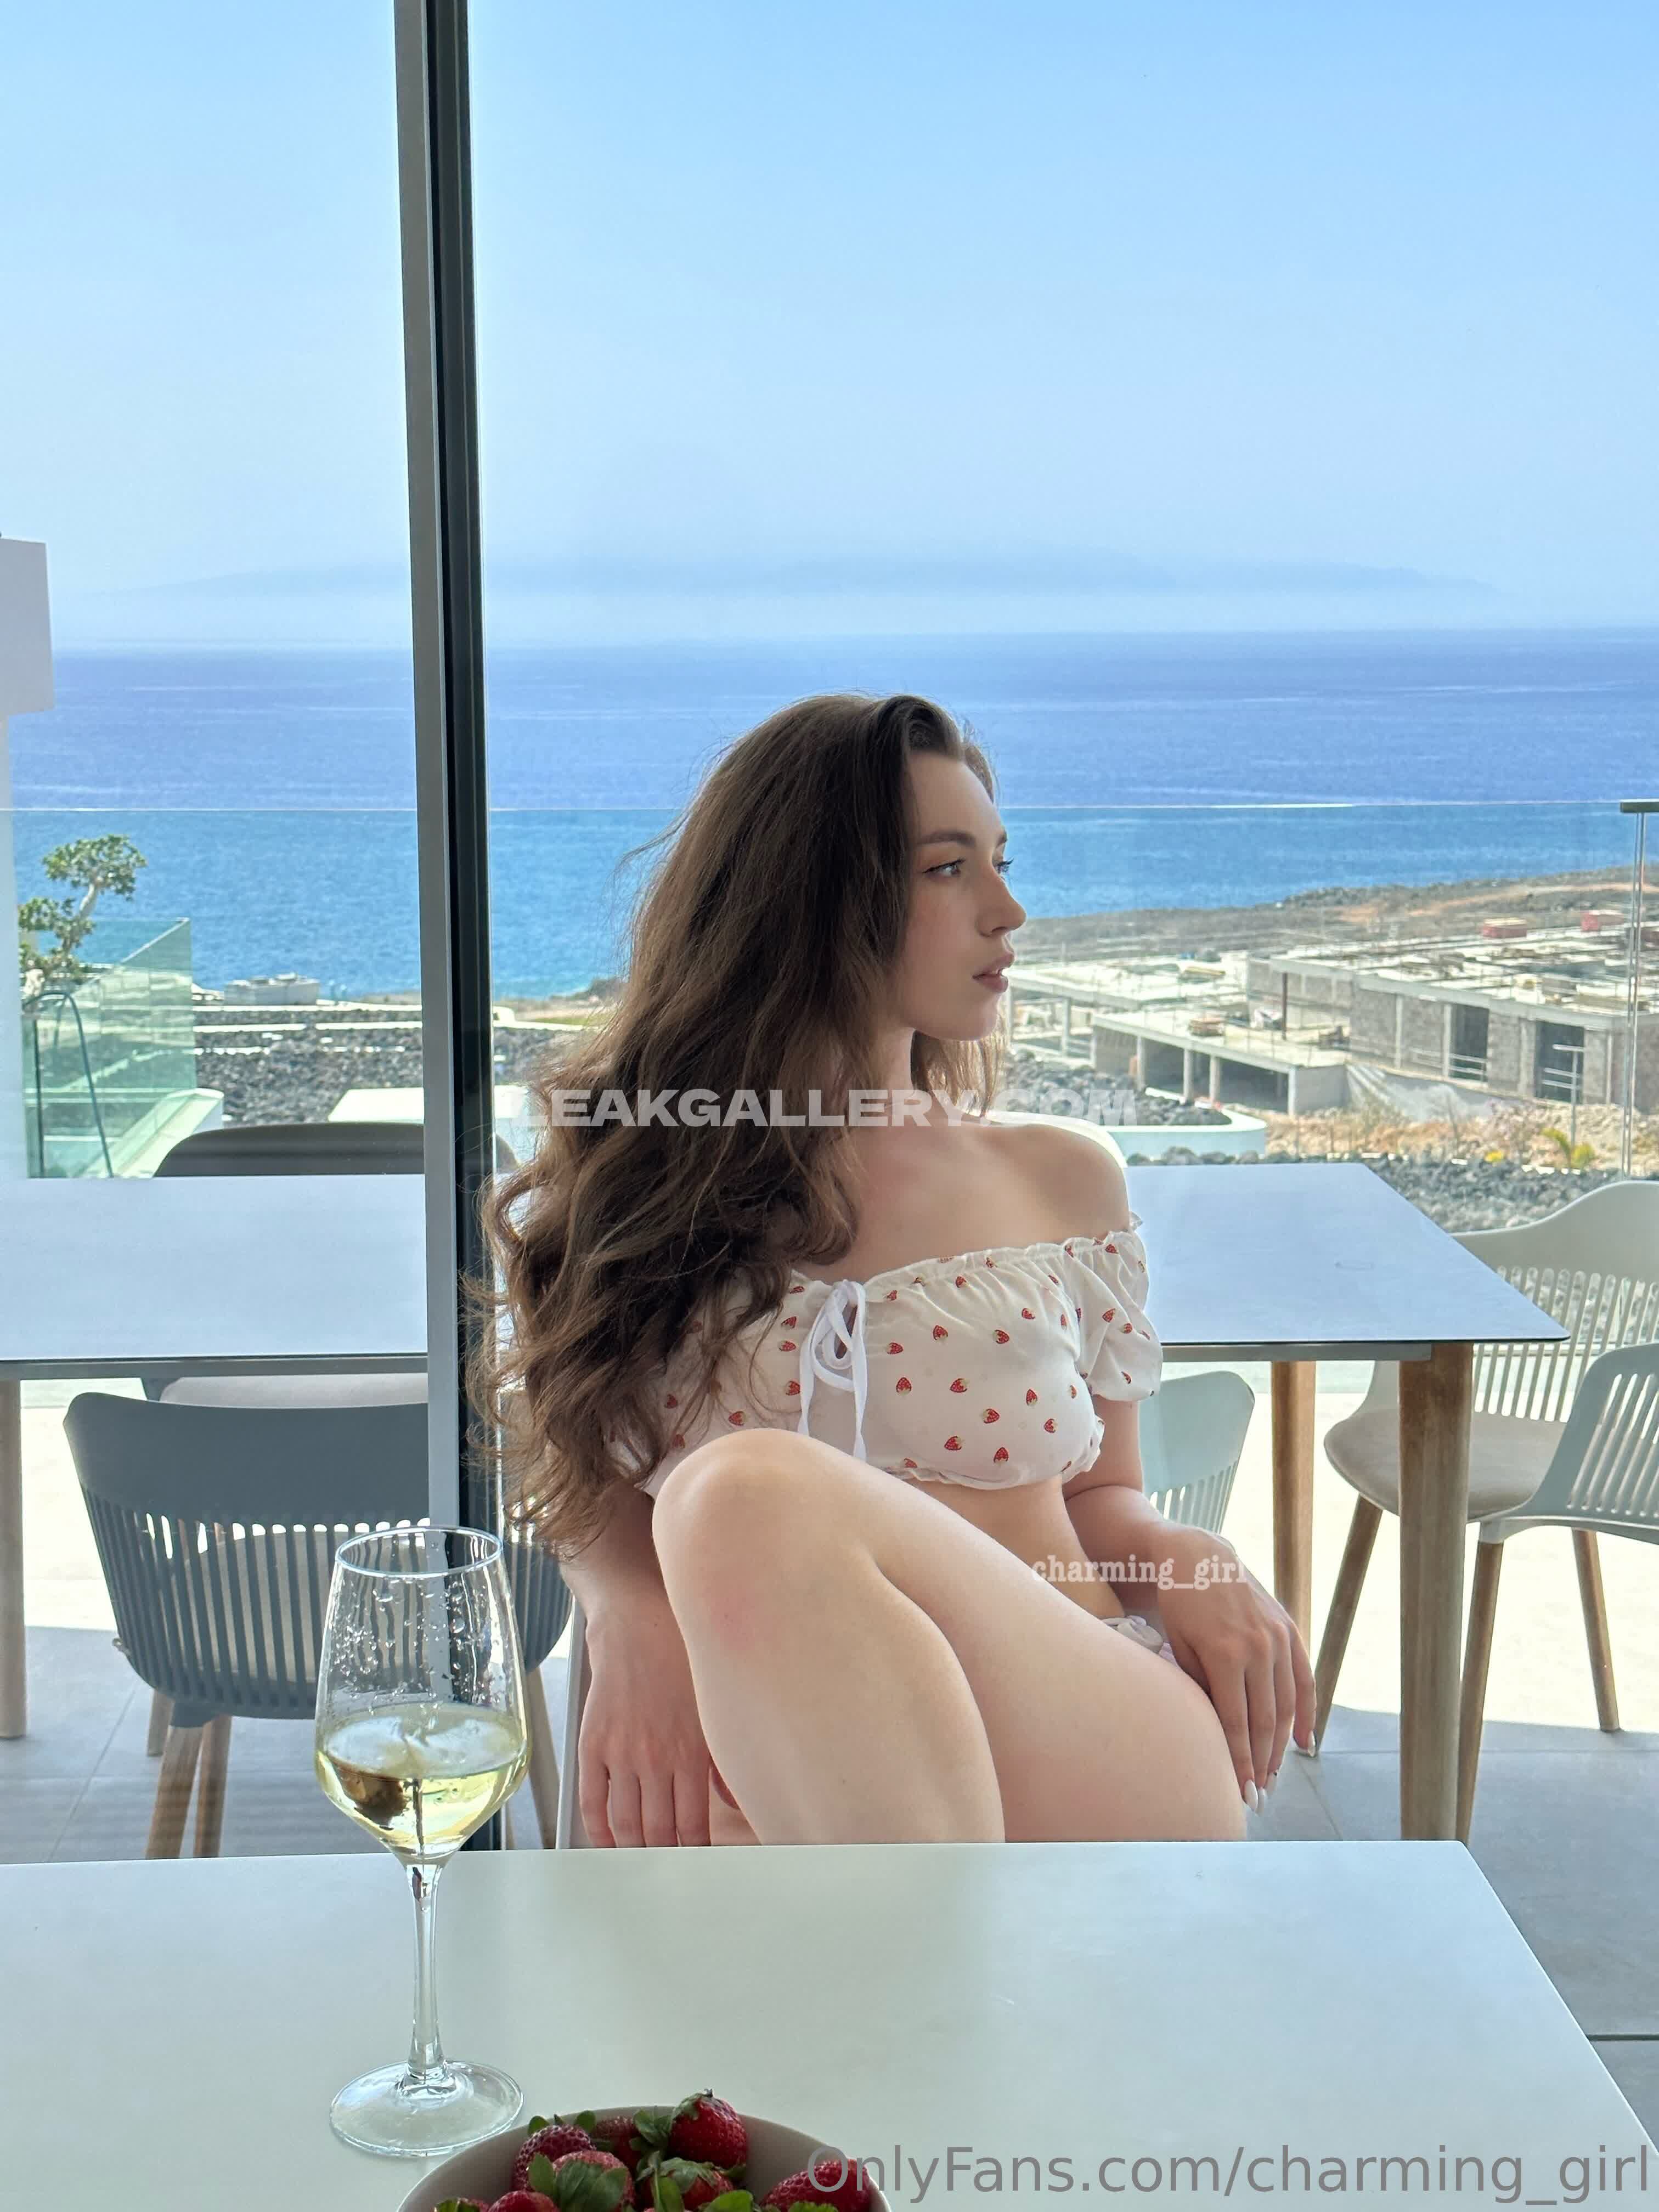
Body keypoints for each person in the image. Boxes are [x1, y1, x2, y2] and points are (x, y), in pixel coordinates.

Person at [472, 693, 1316, 1848]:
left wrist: (1189, 1555)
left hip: (1090, 1745)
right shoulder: (635, 1188)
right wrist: (627, 1610)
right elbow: (577, 1470)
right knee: (733, 1540)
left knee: (740, 1493)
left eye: (1001, 863)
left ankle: (915, 1953)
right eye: (947, 869)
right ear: (809, 897)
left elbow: (1101, 1500)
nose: (1008, 911)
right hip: (790, 1788)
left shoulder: (1062, 1182)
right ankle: (929, 1956)